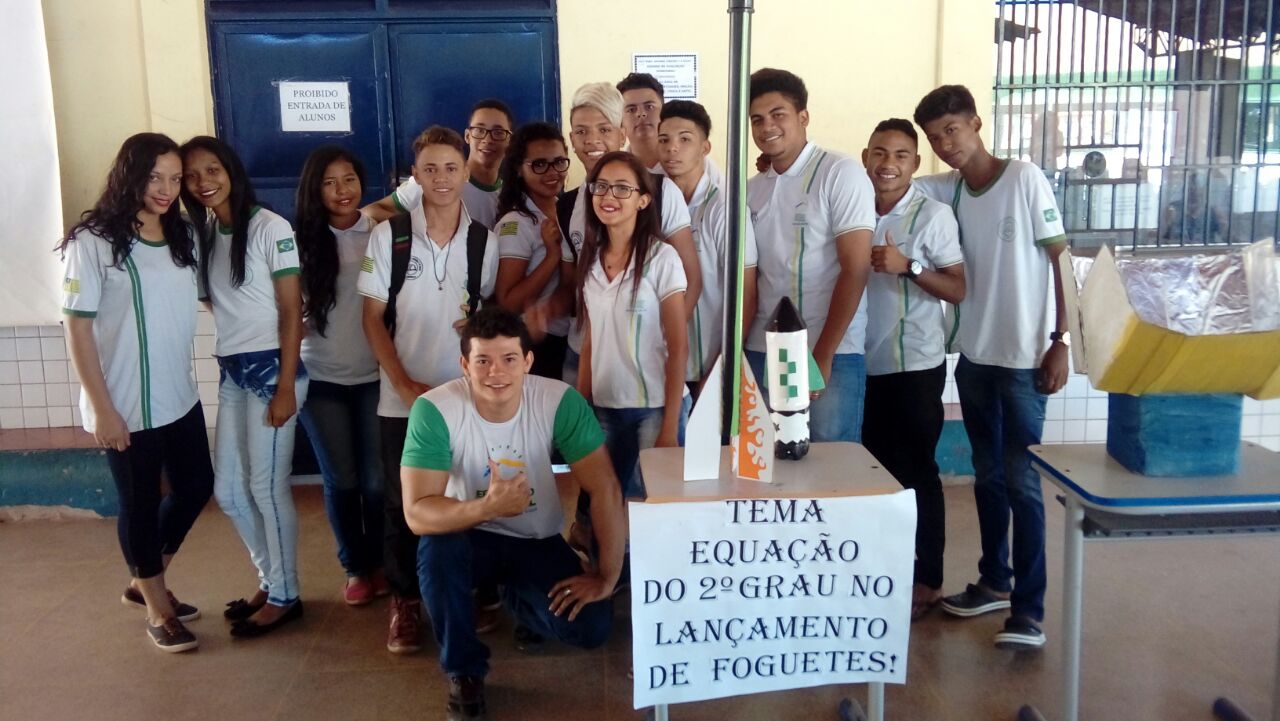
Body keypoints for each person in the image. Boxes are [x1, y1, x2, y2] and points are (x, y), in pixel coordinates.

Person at [401, 307, 623, 721]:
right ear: (465, 364)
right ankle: (464, 671)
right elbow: (418, 513)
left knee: (591, 628)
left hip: (535, 539)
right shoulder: (434, 409)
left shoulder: (559, 401)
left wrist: (606, 576)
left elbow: (604, 487)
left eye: (508, 359)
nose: (495, 372)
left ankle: (516, 598)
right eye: (482, 360)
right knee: (436, 551)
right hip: (468, 532)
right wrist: (488, 507)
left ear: (528, 361)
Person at [912, 84, 1069, 650]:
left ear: (976, 123)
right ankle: (993, 580)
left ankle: (1028, 612)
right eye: (934, 138)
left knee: (1023, 484)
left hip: (1026, 361)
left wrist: (1062, 340)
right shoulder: (946, 190)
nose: (945, 144)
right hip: (974, 360)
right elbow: (888, 175)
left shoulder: (1024, 178)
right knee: (988, 479)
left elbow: (1062, 259)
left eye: (952, 130)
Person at [61, 132, 214, 653]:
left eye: (175, 179)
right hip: (124, 404)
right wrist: (103, 409)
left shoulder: (183, 236)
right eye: (155, 177)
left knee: (196, 487)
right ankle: (156, 606)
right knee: (141, 504)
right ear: (130, 174)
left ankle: (144, 577)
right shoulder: (93, 241)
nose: (167, 189)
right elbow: (77, 329)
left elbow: (204, 300)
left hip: (179, 395)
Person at [358, 126, 498, 654]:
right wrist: (403, 383)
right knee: (402, 503)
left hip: (465, 397)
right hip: (402, 399)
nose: (441, 178)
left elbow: (484, 316)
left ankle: (463, 591)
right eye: (430, 169)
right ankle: (406, 603)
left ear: (466, 172)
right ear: (414, 177)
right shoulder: (389, 235)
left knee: (466, 493)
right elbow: (371, 318)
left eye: (451, 168)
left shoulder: (481, 239)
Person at [180, 135, 309, 638]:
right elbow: (217, 302)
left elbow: (290, 309)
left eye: (211, 170)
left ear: (230, 169)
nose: (203, 182)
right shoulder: (207, 232)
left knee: (265, 487)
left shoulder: (270, 227)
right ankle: (270, 579)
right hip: (233, 369)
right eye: (192, 176)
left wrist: (284, 386)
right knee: (229, 491)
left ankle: (285, 594)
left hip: (273, 370)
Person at [858, 119, 966, 621]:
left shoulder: (932, 214)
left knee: (916, 471)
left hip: (913, 364)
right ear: (865, 157)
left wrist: (910, 267)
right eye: (880, 152)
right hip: (860, 362)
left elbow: (959, 287)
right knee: (871, 474)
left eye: (901, 155)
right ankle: (880, 569)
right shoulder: (854, 206)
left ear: (915, 165)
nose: (888, 164)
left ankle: (928, 579)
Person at [745, 68, 875, 443]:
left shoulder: (840, 172)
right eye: (757, 119)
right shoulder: (752, 188)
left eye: (778, 114)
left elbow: (855, 268)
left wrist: (824, 354)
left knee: (831, 467)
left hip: (827, 347)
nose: (767, 126)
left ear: (803, 117)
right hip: (763, 348)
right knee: (767, 465)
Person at [557, 82, 699, 386]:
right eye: (581, 131)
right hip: (584, 353)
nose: (592, 139)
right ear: (571, 138)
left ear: (622, 133)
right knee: (585, 434)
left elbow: (691, 279)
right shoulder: (566, 205)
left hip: (645, 362)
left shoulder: (659, 192)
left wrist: (660, 347)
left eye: (604, 129)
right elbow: (573, 286)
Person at [294, 146, 387, 606]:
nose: (341, 191)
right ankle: (355, 566)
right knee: (343, 480)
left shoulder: (383, 233)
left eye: (349, 179)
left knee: (376, 479)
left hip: (374, 376)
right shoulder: (298, 241)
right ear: (316, 189)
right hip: (322, 377)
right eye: (329, 182)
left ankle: (383, 561)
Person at [576, 151, 689, 498]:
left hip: (653, 407)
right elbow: (591, 340)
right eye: (602, 187)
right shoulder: (592, 258)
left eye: (622, 189)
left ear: (643, 200)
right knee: (606, 501)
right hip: (605, 405)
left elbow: (679, 345)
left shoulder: (661, 257)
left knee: (649, 506)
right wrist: (581, 407)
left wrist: (669, 425)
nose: (609, 196)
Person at [657, 99, 758, 389]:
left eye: (685, 139)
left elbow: (747, 295)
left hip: (708, 366)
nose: (672, 147)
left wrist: (720, 369)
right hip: (658, 367)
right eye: (664, 139)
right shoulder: (651, 203)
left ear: (705, 148)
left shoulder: (725, 207)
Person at [493, 122, 572, 379]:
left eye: (559, 162)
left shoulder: (567, 208)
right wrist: (552, 256)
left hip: (568, 335)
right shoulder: (516, 224)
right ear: (519, 169)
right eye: (539, 164)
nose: (552, 172)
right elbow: (508, 303)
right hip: (537, 342)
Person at [366, 99, 514, 229]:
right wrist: (419, 230)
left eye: (498, 132)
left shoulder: (511, 194)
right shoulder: (441, 181)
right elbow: (371, 211)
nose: (487, 140)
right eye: (479, 130)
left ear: (509, 140)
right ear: (468, 136)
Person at [616, 72, 665, 171]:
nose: (641, 114)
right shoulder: (615, 170)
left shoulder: (692, 165)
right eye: (631, 109)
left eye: (649, 107)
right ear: (620, 119)